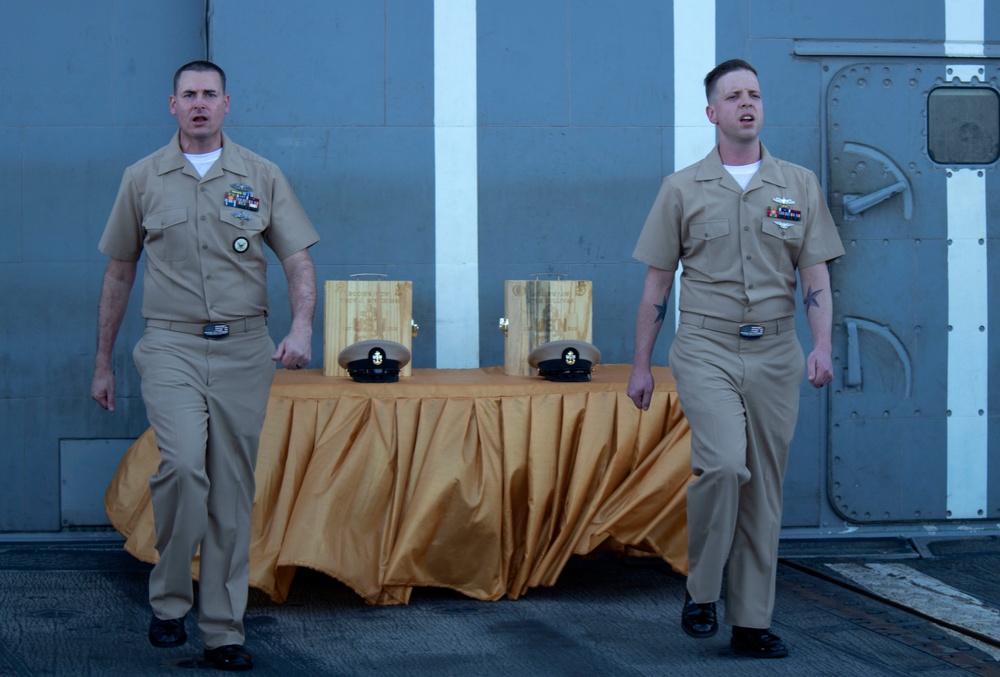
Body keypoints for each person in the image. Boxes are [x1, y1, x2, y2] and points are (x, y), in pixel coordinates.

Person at [91, 60, 319, 671]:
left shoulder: (261, 175)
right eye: (188, 95)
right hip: (170, 346)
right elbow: (118, 272)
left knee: (232, 495)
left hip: (246, 350)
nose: (198, 104)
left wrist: (300, 327)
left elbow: (298, 261)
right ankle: (169, 603)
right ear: (172, 105)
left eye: (209, 95)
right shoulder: (142, 179)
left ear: (226, 104)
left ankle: (223, 631)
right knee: (186, 468)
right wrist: (102, 362)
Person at [626, 59, 844, 659]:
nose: (747, 104)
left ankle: (751, 623)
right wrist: (642, 364)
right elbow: (656, 284)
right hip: (705, 347)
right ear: (713, 113)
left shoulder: (797, 186)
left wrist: (821, 345)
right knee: (723, 465)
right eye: (734, 96)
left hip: (776, 351)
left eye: (755, 94)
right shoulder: (681, 188)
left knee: (764, 490)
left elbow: (815, 272)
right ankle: (703, 591)